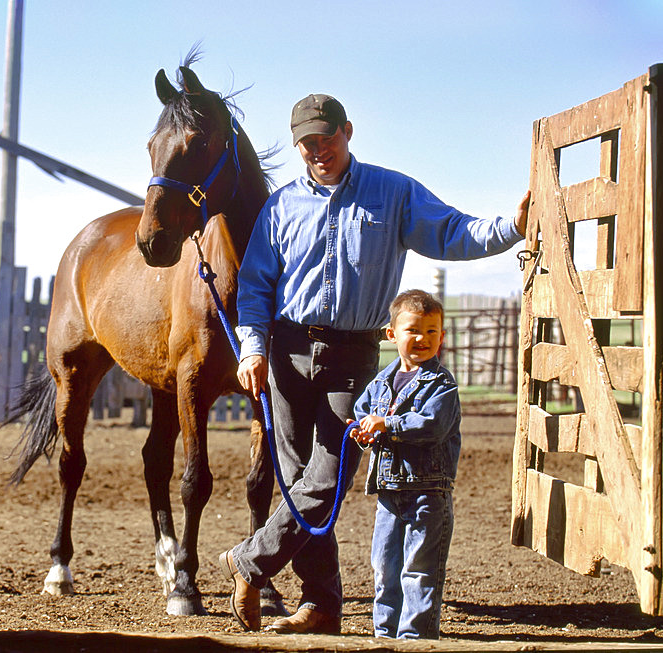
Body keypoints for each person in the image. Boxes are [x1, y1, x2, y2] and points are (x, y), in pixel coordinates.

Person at [217, 93, 529, 633]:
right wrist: (252, 346)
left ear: (349, 132)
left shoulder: (393, 193)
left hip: (353, 352)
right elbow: (255, 286)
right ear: (298, 147)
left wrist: (511, 228)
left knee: (331, 473)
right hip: (288, 350)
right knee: (296, 482)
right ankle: (322, 605)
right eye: (308, 144)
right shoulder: (281, 207)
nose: (320, 151)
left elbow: (452, 230)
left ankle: (252, 561)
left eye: (328, 138)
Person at [350, 289, 458, 639]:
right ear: (391, 334)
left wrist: (388, 425)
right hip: (388, 495)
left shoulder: (442, 385)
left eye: (431, 332)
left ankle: (415, 641)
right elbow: (362, 411)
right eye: (413, 330)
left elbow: (433, 424)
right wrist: (361, 429)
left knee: (419, 571)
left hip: (427, 494)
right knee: (385, 567)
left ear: (441, 337)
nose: (422, 339)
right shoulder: (381, 381)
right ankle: (385, 635)